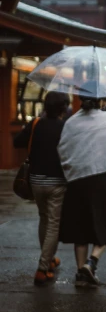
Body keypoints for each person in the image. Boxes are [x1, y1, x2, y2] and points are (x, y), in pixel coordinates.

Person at [58, 86, 106, 287]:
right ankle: (92, 262)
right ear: (101, 100)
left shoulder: (71, 122)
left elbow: (62, 148)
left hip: (77, 180)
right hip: (102, 177)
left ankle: (80, 271)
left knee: (80, 228)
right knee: (105, 224)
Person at [14, 92, 70, 286]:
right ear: (63, 108)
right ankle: (43, 267)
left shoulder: (36, 123)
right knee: (54, 222)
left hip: (36, 180)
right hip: (57, 182)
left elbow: (17, 142)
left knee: (44, 218)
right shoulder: (65, 127)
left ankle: (49, 258)